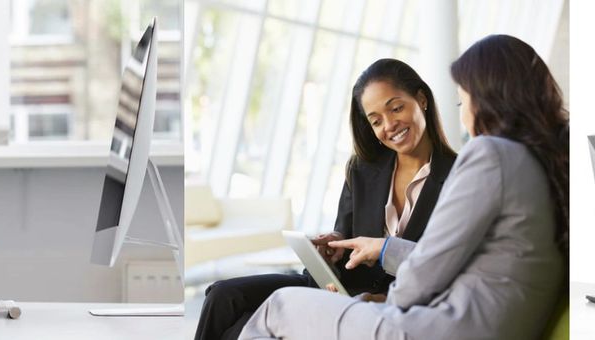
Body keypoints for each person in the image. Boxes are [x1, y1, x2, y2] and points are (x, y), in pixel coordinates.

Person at [238, 34, 568, 340]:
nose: (465, 116)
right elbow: (461, 260)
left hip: (441, 328)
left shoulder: (490, 155)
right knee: (233, 298)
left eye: (463, 101)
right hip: (483, 325)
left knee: (279, 306)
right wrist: (383, 250)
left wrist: (379, 304)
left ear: (491, 98)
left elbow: (429, 270)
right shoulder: (542, 164)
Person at [194, 58, 458, 340]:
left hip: (389, 307)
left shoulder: (459, 178)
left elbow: (446, 269)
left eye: (396, 108)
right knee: (223, 296)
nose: (390, 125)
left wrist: (382, 299)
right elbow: (344, 236)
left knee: (239, 330)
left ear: (421, 99)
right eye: (376, 120)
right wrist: (332, 249)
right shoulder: (362, 170)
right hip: (336, 288)